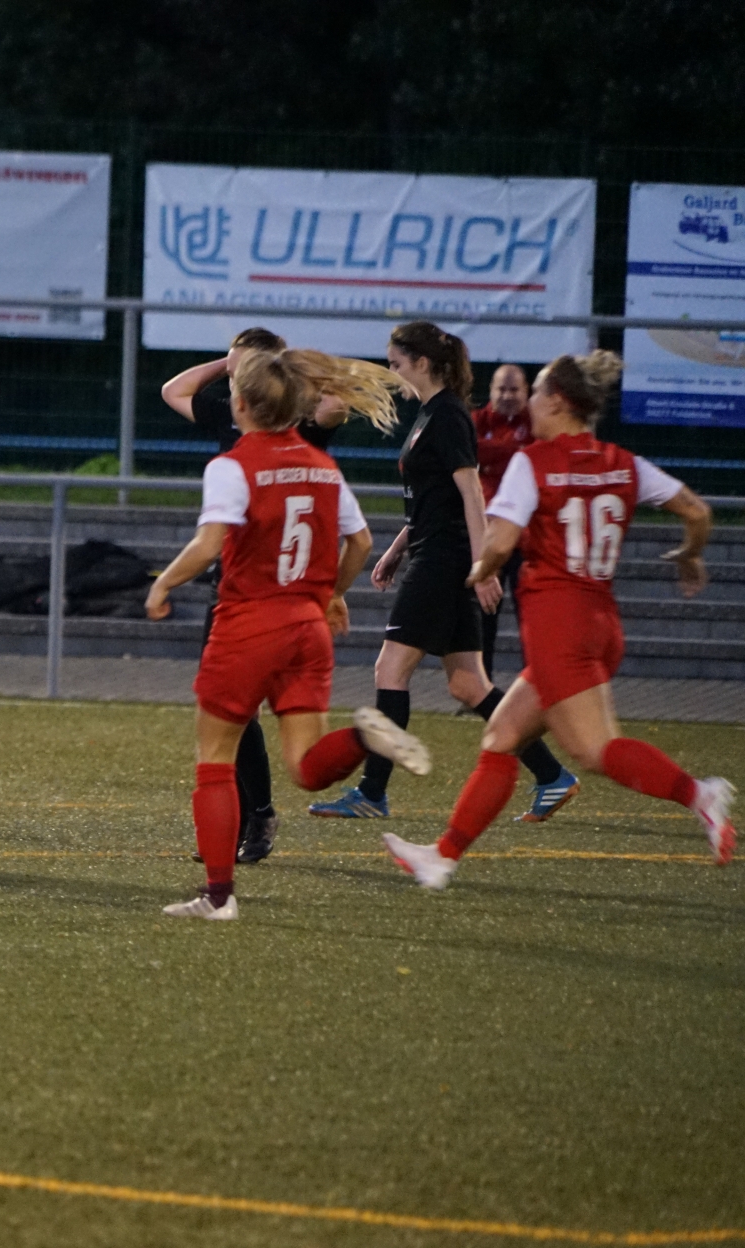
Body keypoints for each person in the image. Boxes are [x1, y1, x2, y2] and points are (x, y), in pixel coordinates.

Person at [384, 352, 735, 888]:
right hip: (600, 621)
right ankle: (442, 857)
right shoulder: (623, 461)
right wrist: (690, 555)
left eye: (537, 392)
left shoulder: (534, 462)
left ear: (557, 402)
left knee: (594, 750)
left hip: (558, 627)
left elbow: (500, 543)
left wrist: (475, 572)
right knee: (502, 736)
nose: (528, 402)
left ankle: (700, 794)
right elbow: (698, 511)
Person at [145, 348, 430, 920]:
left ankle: (219, 897)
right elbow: (361, 542)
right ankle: (365, 738)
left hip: (248, 625)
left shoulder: (232, 465)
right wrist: (330, 594)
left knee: (215, 760)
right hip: (307, 629)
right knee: (305, 765)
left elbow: (208, 544)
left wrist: (163, 584)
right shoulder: (322, 466)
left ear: (241, 405)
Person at [308, 322, 578, 823]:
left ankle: (371, 792)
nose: (392, 372)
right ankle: (552, 776)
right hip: (436, 552)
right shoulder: (432, 413)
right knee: (468, 685)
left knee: (390, 671)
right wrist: (396, 549)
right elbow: (434, 500)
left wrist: (483, 566)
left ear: (423, 363)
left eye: (397, 363)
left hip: (444, 561)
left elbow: (471, 494)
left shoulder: (449, 415)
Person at [160, 326, 347, 865]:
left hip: (274, 594)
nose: (236, 379)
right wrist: (228, 364)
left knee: (235, 724)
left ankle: (248, 830)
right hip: (240, 587)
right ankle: (248, 819)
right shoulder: (232, 417)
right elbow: (173, 390)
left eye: (246, 369)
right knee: (244, 724)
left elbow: (335, 406)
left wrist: (292, 371)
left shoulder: (300, 424)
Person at [471, 363, 533, 681]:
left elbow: (534, 456)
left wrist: (488, 458)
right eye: (501, 389)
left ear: (527, 392)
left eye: (514, 389)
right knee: (483, 619)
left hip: (527, 540)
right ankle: (482, 691)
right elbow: (464, 452)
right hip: (489, 538)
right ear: (491, 391)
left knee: (532, 622)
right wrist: (513, 452)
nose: (507, 396)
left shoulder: (537, 422)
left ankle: (538, 689)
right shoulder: (476, 421)